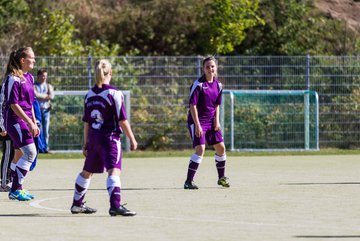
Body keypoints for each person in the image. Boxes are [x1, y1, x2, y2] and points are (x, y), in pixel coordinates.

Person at [70, 59, 138, 216]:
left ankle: (76, 204)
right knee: (114, 171)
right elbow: (122, 120)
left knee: (87, 171)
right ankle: (115, 206)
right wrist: (132, 139)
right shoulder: (114, 94)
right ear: (111, 73)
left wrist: (85, 143)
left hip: (94, 139)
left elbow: (86, 122)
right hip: (109, 139)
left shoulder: (89, 94)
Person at [184, 56, 230, 189]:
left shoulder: (218, 85)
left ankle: (221, 178)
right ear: (203, 69)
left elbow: (217, 105)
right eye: (207, 67)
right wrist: (197, 125)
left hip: (211, 121)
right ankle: (188, 181)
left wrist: (217, 121)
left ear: (216, 68)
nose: (210, 69)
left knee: (221, 148)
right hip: (197, 121)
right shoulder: (198, 85)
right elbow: (192, 106)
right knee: (200, 149)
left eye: (212, 66)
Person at [1, 47, 40, 201]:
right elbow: (13, 105)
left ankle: (15, 187)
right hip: (15, 121)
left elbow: (30, 104)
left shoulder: (29, 78)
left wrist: (34, 122)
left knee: (22, 154)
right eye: (32, 57)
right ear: (23, 60)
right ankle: (14, 188)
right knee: (30, 153)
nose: (34, 60)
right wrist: (29, 122)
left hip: (26, 121)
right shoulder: (13, 79)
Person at [34, 69, 54, 153]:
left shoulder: (49, 86)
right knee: (38, 129)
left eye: (45, 76)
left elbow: (52, 96)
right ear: (38, 76)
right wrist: (46, 96)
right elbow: (35, 95)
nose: (44, 78)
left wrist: (42, 96)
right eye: (42, 76)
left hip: (46, 111)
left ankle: (46, 148)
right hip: (37, 111)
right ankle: (39, 147)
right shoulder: (34, 85)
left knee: (46, 130)